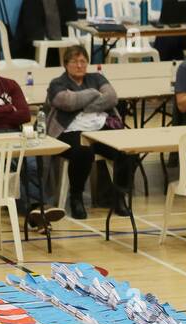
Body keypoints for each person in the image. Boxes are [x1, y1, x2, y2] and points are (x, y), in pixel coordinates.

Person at [0, 39, 64, 228]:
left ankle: (37, 209)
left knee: (34, 163)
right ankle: (36, 211)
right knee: (11, 165)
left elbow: (24, 115)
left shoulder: (10, 85)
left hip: (15, 135)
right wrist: (9, 109)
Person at [46, 44, 134, 220]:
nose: (79, 65)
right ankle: (76, 198)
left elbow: (112, 98)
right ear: (65, 64)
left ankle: (118, 197)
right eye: (74, 61)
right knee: (83, 152)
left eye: (83, 61)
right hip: (69, 130)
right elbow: (67, 101)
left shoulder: (96, 77)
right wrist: (94, 93)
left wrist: (82, 103)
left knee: (127, 151)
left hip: (100, 126)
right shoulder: (57, 83)